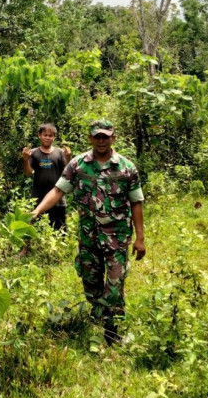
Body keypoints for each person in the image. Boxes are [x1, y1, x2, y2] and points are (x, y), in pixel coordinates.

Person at [31, 120, 145, 345]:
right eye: (97, 137)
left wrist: (140, 238)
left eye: (105, 136)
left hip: (117, 238)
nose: (101, 141)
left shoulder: (126, 167)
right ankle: (98, 314)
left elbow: (136, 202)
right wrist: (36, 212)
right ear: (90, 138)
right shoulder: (78, 165)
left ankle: (112, 332)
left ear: (113, 138)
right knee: (91, 285)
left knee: (114, 287)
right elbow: (58, 190)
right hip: (88, 238)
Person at [22, 123, 72, 230]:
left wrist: (68, 158)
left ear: (54, 137)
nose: (47, 138)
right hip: (38, 200)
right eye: (45, 135)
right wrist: (25, 159)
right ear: (39, 135)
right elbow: (28, 173)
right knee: (38, 231)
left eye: (50, 135)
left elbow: (67, 173)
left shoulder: (60, 153)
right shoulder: (34, 153)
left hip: (58, 200)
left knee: (59, 232)